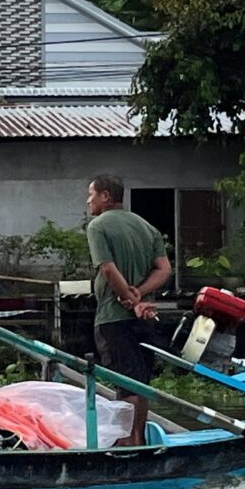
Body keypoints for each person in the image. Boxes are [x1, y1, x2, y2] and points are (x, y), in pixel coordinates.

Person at [85, 174, 172, 446]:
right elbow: (164, 269)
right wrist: (140, 294)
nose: (88, 201)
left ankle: (128, 443)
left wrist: (128, 298)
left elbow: (108, 268)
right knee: (139, 381)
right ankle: (138, 439)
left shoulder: (98, 226)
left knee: (126, 381)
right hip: (143, 318)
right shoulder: (146, 227)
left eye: (91, 195)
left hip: (114, 318)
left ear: (106, 196)